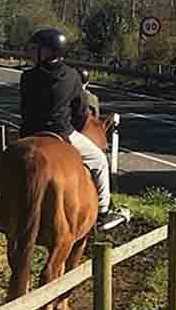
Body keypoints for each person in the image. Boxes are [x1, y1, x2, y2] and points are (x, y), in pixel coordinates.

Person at [17, 27, 125, 232]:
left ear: (48, 52)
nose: (31, 53)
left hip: (29, 133)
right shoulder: (73, 76)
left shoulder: (27, 77)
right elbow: (80, 111)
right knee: (100, 161)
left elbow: (24, 109)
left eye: (35, 49)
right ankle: (103, 211)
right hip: (62, 132)